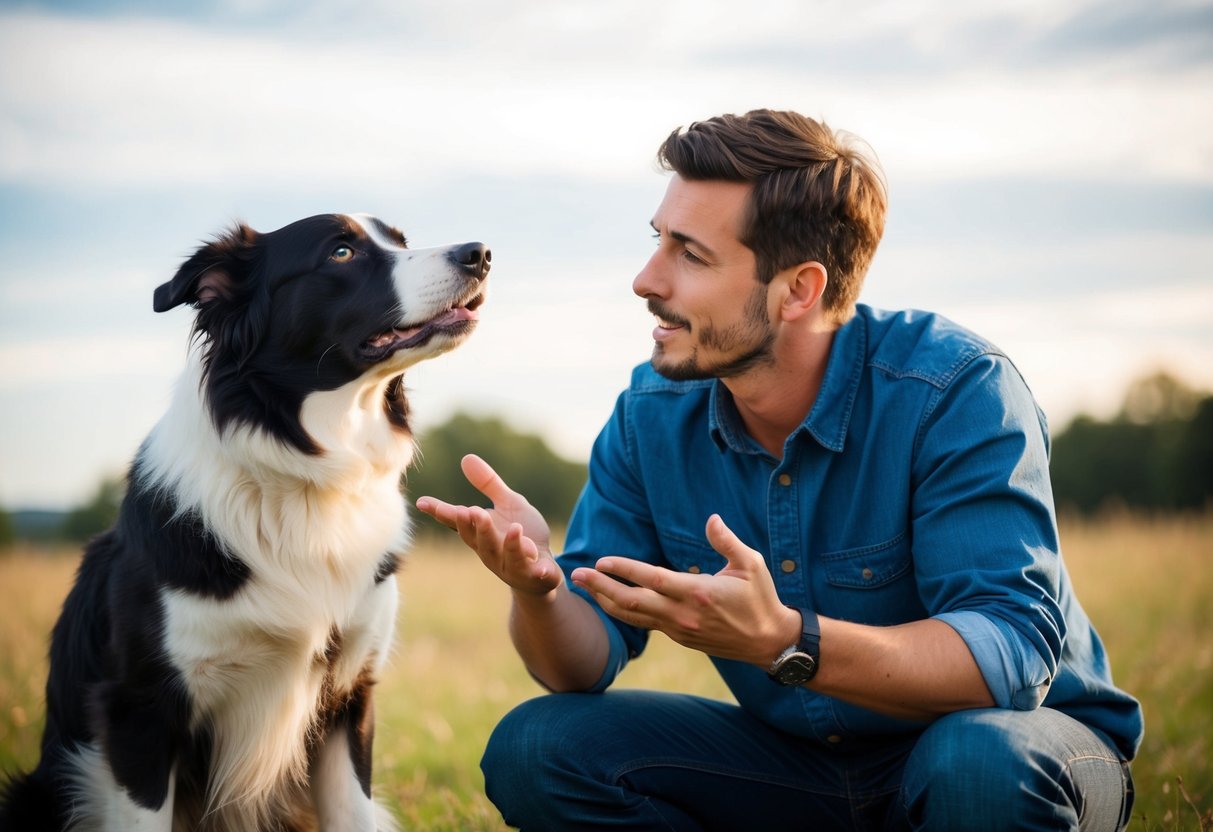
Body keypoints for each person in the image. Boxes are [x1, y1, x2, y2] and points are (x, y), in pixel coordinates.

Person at [416, 109, 1143, 831]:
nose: (645, 279)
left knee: (974, 763)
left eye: (690, 255)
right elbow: (582, 663)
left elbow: (1008, 658)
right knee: (539, 745)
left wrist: (784, 639)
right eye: (656, 241)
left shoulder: (954, 391)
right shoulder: (650, 415)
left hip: (1021, 748)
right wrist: (538, 588)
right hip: (800, 765)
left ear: (798, 289)